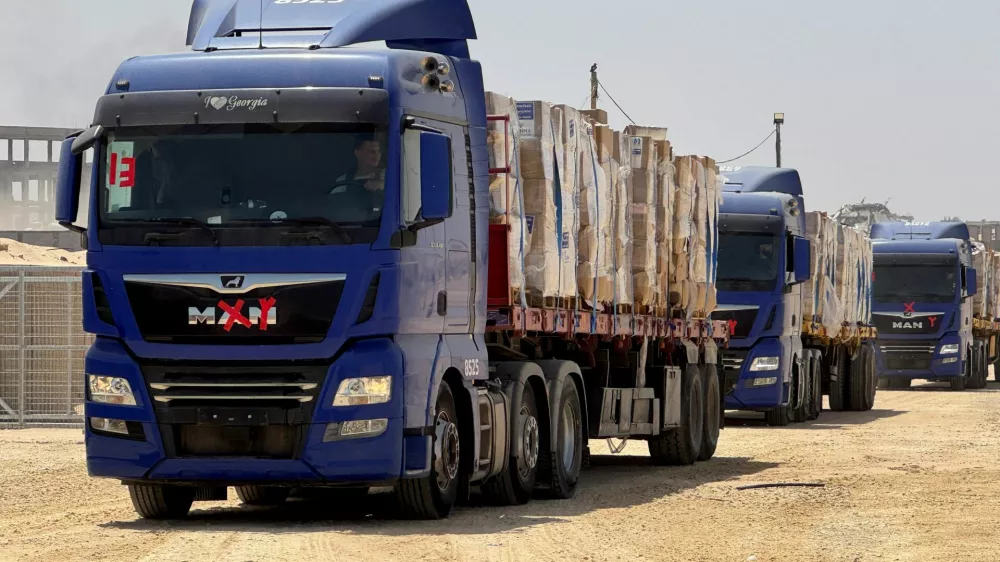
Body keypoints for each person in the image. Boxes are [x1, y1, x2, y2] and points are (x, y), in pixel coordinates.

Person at [329, 136, 385, 219]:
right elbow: (333, 209)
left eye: (378, 151)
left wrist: (382, 185)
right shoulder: (343, 181)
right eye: (371, 152)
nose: (376, 156)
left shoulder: (387, 177)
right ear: (357, 153)